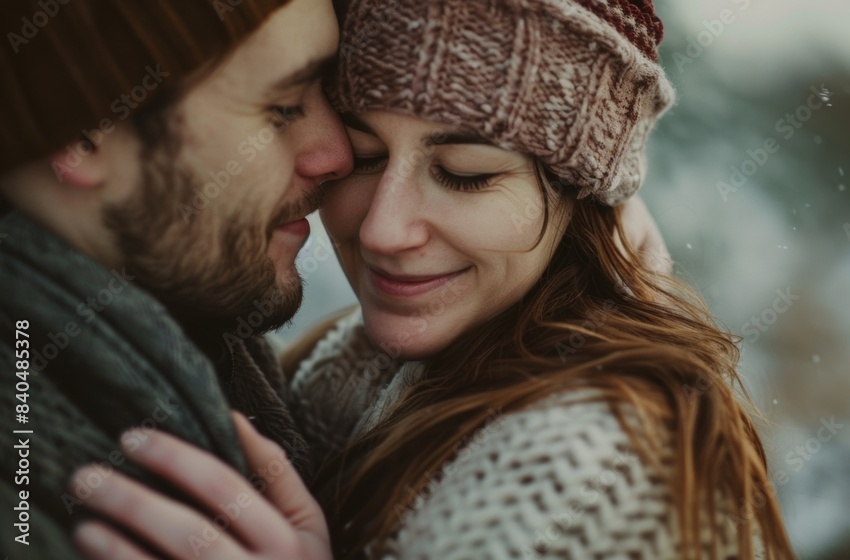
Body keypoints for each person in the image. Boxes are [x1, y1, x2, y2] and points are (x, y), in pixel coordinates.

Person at [66, 0, 796, 558]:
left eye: (465, 176)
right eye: (366, 155)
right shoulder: (366, 362)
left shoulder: (582, 466)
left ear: (586, 198)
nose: (384, 229)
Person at [0, 0, 353, 557]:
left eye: (330, 97)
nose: (337, 154)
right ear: (88, 137)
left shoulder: (224, 359)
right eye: (283, 108)